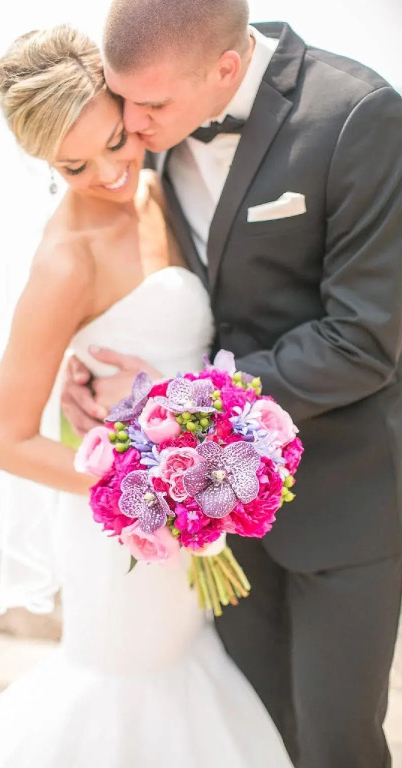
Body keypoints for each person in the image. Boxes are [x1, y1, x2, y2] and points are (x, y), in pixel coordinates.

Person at [0, 24, 293, 768]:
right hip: (127, 532)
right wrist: (152, 486)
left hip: (191, 512)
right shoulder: (65, 262)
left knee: (186, 677)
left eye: (116, 141)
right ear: (40, 162)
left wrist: (194, 464)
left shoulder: (159, 184)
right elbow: (8, 440)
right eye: (73, 166)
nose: (110, 173)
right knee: (123, 690)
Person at [61, 1, 402, 766]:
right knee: (250, 733)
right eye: (124, 102)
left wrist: (179, 402)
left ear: (224, 68)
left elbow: (362, 339)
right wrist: (82, 363)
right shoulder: (147, 135)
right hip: (211, 511)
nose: (132, 126)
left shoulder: (358, 116)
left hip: (344, 499)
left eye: (151, 106)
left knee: (337, 742)